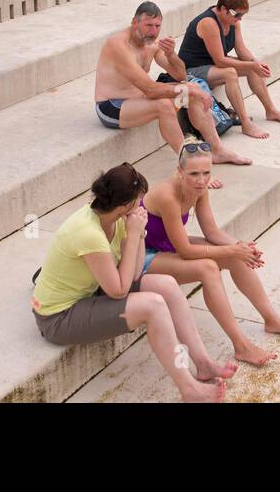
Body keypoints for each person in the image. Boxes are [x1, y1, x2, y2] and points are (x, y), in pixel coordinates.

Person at [30, 163, 232, 402]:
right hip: (59, 317)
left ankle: (203, 363)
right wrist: (134, 234)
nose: (142, 205)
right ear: (125, 205)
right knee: (153, 305)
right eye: (139, 201)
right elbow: (118, 291)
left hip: (91, 293)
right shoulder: (88, 232)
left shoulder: (114, 219)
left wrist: (139, 233)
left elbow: (135, 274)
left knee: (166, 284)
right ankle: (189, 388)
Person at [143, 138, 280, 367]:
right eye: (194, 174)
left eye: (206, 173)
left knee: (234, 256)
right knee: (210, 267)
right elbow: (186, 251)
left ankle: (272, 320)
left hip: (166, 245)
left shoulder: (200, 188)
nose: (201, 181)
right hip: (142, 255)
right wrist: (232, 249)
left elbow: (211, 230)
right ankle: (241, 346)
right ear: (180, 172)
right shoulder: (167, 196)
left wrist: (242, 247)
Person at [94, 0, 250, 170]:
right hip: (111, 106)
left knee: (191, 92)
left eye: (157, 26)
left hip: (138, 99)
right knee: (165, 105)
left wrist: (171, 55)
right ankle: (188, 163)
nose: (153, 31)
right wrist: (187, 88)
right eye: (148, 25)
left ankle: (218, 150)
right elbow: (150, 89)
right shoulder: (118, 45)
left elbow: (181, 75)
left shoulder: (152, 43)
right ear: (134, 22)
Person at [178, 0, 280, 142]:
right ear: (224, 9)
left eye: (242, 14)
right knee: (230, 73)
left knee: (251, 67)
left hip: (211, 66)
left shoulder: (233, 22)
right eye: (237, 14)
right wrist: (250, 65)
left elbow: (241, 49)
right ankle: (246, 123)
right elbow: (220, 60)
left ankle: (270, 110)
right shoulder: (209, 23)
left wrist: (256, 64)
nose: (239, 18)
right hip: (191, 71)